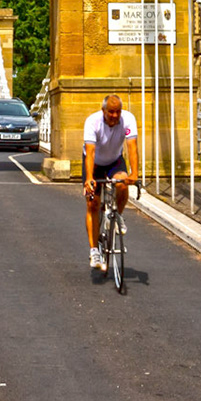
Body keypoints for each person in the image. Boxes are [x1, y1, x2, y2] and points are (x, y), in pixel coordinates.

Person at [81, 94, 141, 272]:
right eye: (111, 112)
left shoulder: (128, 120)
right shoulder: (92, 122)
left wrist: (135, 174)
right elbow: (90, 153)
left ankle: (118, 216)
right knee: (92, 203)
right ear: (103, 111)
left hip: (115, 161)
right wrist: (89, 178)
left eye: (118, 112)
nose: (115, 116)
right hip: (95, 163)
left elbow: (132, 147)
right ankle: (94, 251)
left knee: (122, 183)